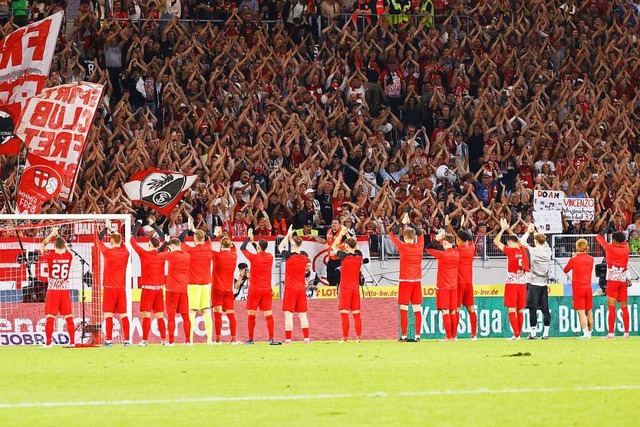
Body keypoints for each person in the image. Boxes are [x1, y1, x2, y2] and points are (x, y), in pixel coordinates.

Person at [130, 217, 167, 346]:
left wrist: (137, 224)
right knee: (160, 316)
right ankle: (164, 340)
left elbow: (133, 241)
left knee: (146, 316)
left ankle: (145, 340)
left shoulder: (144, 254)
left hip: (148, 289)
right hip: (159, 289)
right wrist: (155, 225)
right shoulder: (162, 255)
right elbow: (164, 238)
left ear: (149, 244)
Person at [241, 229, 281, 345]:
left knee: (251, 314)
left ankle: (250, 339)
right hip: (266, 290)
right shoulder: (270, 257)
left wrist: (249, 238)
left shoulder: (253, 258)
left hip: (254, 290)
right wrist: (254, 243)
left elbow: (242, 248)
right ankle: (271, 339)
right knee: (268, 314)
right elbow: (260, 252)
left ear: (258, 247)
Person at [389, 212, 424, 342]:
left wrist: (402, 223)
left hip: (405, 281)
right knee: (417, 309)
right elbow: (420, 233)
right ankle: (417, 336)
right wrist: (410, 223)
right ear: (413, 237)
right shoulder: (419, 246)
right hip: (417, 282)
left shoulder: (402, 247)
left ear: (404, 237)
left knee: (404, 308)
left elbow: (391, 234)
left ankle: (403, 336)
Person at [179, 217, 214, 344]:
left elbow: (180, 240)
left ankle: (190, 340)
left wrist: (188, 229)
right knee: (206, 310)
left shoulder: (190, 251)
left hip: (193, 284)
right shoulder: (209, 247)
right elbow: (210, 236)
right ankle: (210, 339)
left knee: (192, 311)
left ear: (194, 239)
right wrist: (197, 229)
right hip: (206, 284)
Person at [96, 220, 131, 347]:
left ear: (111, 242)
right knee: (124, 315)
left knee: (108, 314)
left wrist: (106, 228)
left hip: (109, 288)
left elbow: (98, 240)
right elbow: (121, 244)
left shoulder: (107, 252)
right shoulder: (126, 253)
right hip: (121, 289)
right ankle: (127, 341)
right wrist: (112, 231)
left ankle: (109, 341)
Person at [493, 218, 530, 340]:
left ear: (509, 243)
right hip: (523, 283)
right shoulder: (522, 249)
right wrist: (509, 230)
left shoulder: (509, 251)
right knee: (520, 310)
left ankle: (516, 334)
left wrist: (503, 229)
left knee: (511, 309)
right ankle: (519, 333)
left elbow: (496, 241)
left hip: (512, 283)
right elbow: (517, 240)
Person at [39, 227, 75, 348]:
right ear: (64, 246)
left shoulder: (51, 256)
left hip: (53, 290)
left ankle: (48, 343)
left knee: (50, 317)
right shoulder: (69, 256)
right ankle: (72, 342)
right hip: (64, 290)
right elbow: (68, 250)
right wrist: (59, 237)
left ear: (54, 246)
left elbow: (41, 246)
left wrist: (51, 235)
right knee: (69, 317)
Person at [596, 225, 631, 338]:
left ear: (614, 240)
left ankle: (611, 333)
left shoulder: (609, 248)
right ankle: (626, 332)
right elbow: (623, 240)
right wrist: (616, 230)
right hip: (622, 280)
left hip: (612, 280)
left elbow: (599, 237)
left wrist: (608, 227)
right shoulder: (626, 249)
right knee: (624, 307)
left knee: (611, 307)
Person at [446, 216, 477, 340]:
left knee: (456, 308)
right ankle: (474, 335)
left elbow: (449, 242)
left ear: (458, 240)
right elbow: (466, 238)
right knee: (471, 309)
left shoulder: (457, 250)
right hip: (469, 282)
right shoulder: (472, 248)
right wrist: (463, 227)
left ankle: (454, 335)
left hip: (458, 283)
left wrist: (449, 226)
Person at [278, 225, 311, 343]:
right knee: (303, 316)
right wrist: (293, 239)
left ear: (292, 245)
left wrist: (287, 235)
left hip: (290, 288)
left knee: (288, 315)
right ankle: (306, 338)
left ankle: (288, 339)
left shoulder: (289, 256)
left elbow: (280, 246)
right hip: (301, 289)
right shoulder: (304, 257)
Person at [520, 224, 552, 340]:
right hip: (544, 283)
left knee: (532, 309)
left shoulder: (533, 251)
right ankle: (546, 333)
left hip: (533, 283)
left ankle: (533, 334)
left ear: (535, 241)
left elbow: (522, 241)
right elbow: (542, 240)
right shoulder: (549, 251)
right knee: (545, 309)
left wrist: (529, 231)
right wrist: (536, 232)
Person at [332, 225, 364, 343]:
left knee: (344, 314)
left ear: (346, 246)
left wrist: (341, 234)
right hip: (355, 288)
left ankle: (345, 338)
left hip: (345, 288)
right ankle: (358, 338)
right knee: (356, 314)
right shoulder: (359, 255)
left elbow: (333, 246)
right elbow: (354, 245)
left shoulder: (344, 256)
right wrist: (347, 235)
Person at [426, 229, 460, 341]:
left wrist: (437, 238)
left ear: (445, 243)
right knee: (453, 311)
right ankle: (454, 336)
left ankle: (448, 336)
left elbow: (428, 248)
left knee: (445, 311)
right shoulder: (456, 253)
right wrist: (444, 238)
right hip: (454, 287)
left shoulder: (442, 255)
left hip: (443, 286)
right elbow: (449, 246)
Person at [158, 238, 191, 346]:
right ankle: (188, 341)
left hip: (172, 289)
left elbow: (158, 254)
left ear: (172, 246)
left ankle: (171, 341)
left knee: (171, 316)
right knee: (185, 316)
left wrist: (165, 243)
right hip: (183, 289)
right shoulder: (187, 256)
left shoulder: (171, 255)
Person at [211, 227, 239, 344]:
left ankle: (218, 338)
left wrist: (216, 235)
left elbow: (207, 246)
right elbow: (234, 248)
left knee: (217, 314)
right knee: (231, 314)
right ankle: (233, 338)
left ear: (220, 246)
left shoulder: (217, 255)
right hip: (229, 289)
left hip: (217, 288)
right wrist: (225, 239)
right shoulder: (234, 256)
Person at [563, 239, 595, 339]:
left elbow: (566, 269)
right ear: (586, 247)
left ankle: (585, 334)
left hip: (578, 288)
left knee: (581, 311)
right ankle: (590, 332)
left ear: (577, 247)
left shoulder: (574, 259)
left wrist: (572, 258)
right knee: (589, 310)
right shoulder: (591, 259)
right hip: (588, 287)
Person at [325, 219, 343, 287]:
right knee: (330, 277)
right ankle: (332, 291)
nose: (334, 225)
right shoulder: (329, 231)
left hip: (340, 259)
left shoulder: (343, 233)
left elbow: (351, 240)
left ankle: (340, 292)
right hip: (331, 258)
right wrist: (314, 237)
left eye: (335, 223)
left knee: (339, 277)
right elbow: (324, 240)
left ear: (339, 225)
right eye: (332, 223)